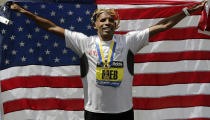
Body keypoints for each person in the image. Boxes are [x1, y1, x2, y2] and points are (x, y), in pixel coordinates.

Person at [9, 1, 207, 120]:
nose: (107, 23)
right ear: (95, 24)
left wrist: (187, 12)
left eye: (110, 20)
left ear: (116, 24)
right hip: (94, 113)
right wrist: (24, 12)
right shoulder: (84, 42)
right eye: (102, 20)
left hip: (124, 112)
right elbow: (52, 28)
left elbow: (161, 26)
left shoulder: (129, 41)